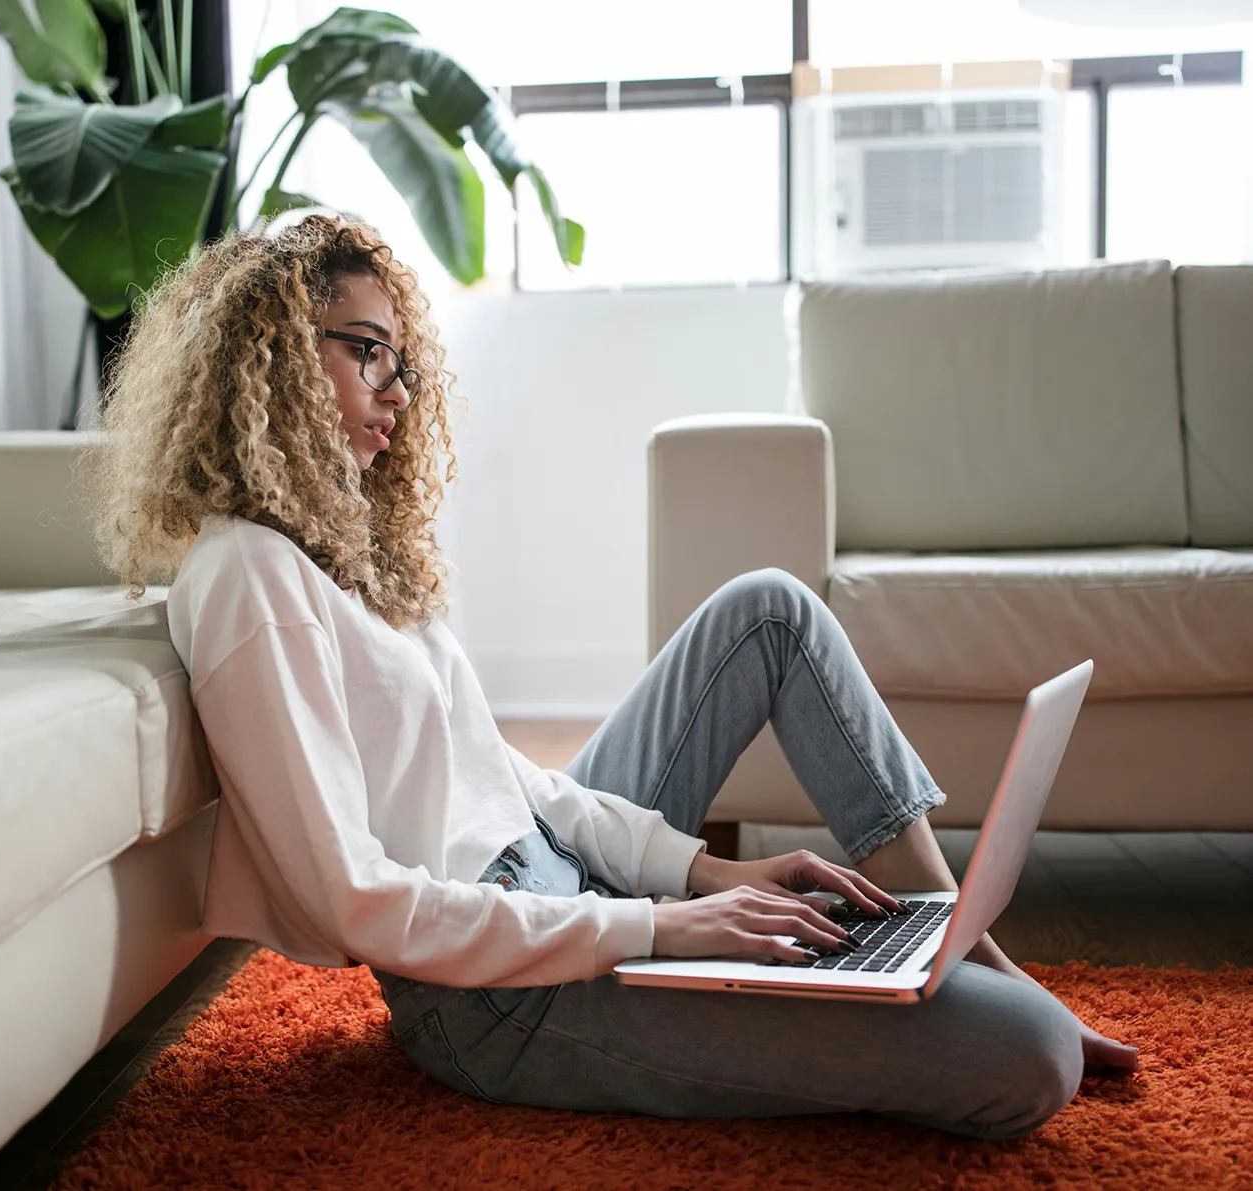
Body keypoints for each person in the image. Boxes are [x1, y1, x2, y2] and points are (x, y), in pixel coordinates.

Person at [75, 212, 1138, 1143]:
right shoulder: (246, 578)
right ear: (267, 359)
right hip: (491, 998)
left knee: (767, 607)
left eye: (403, 360)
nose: (398, 389)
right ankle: (962, 991)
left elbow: (503, 777)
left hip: (556, 884)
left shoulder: (347, 551)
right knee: (1032, 1057)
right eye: (367, 352)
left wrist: (695, 875)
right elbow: (354, 901)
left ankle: (956, 946)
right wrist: (656, 927)